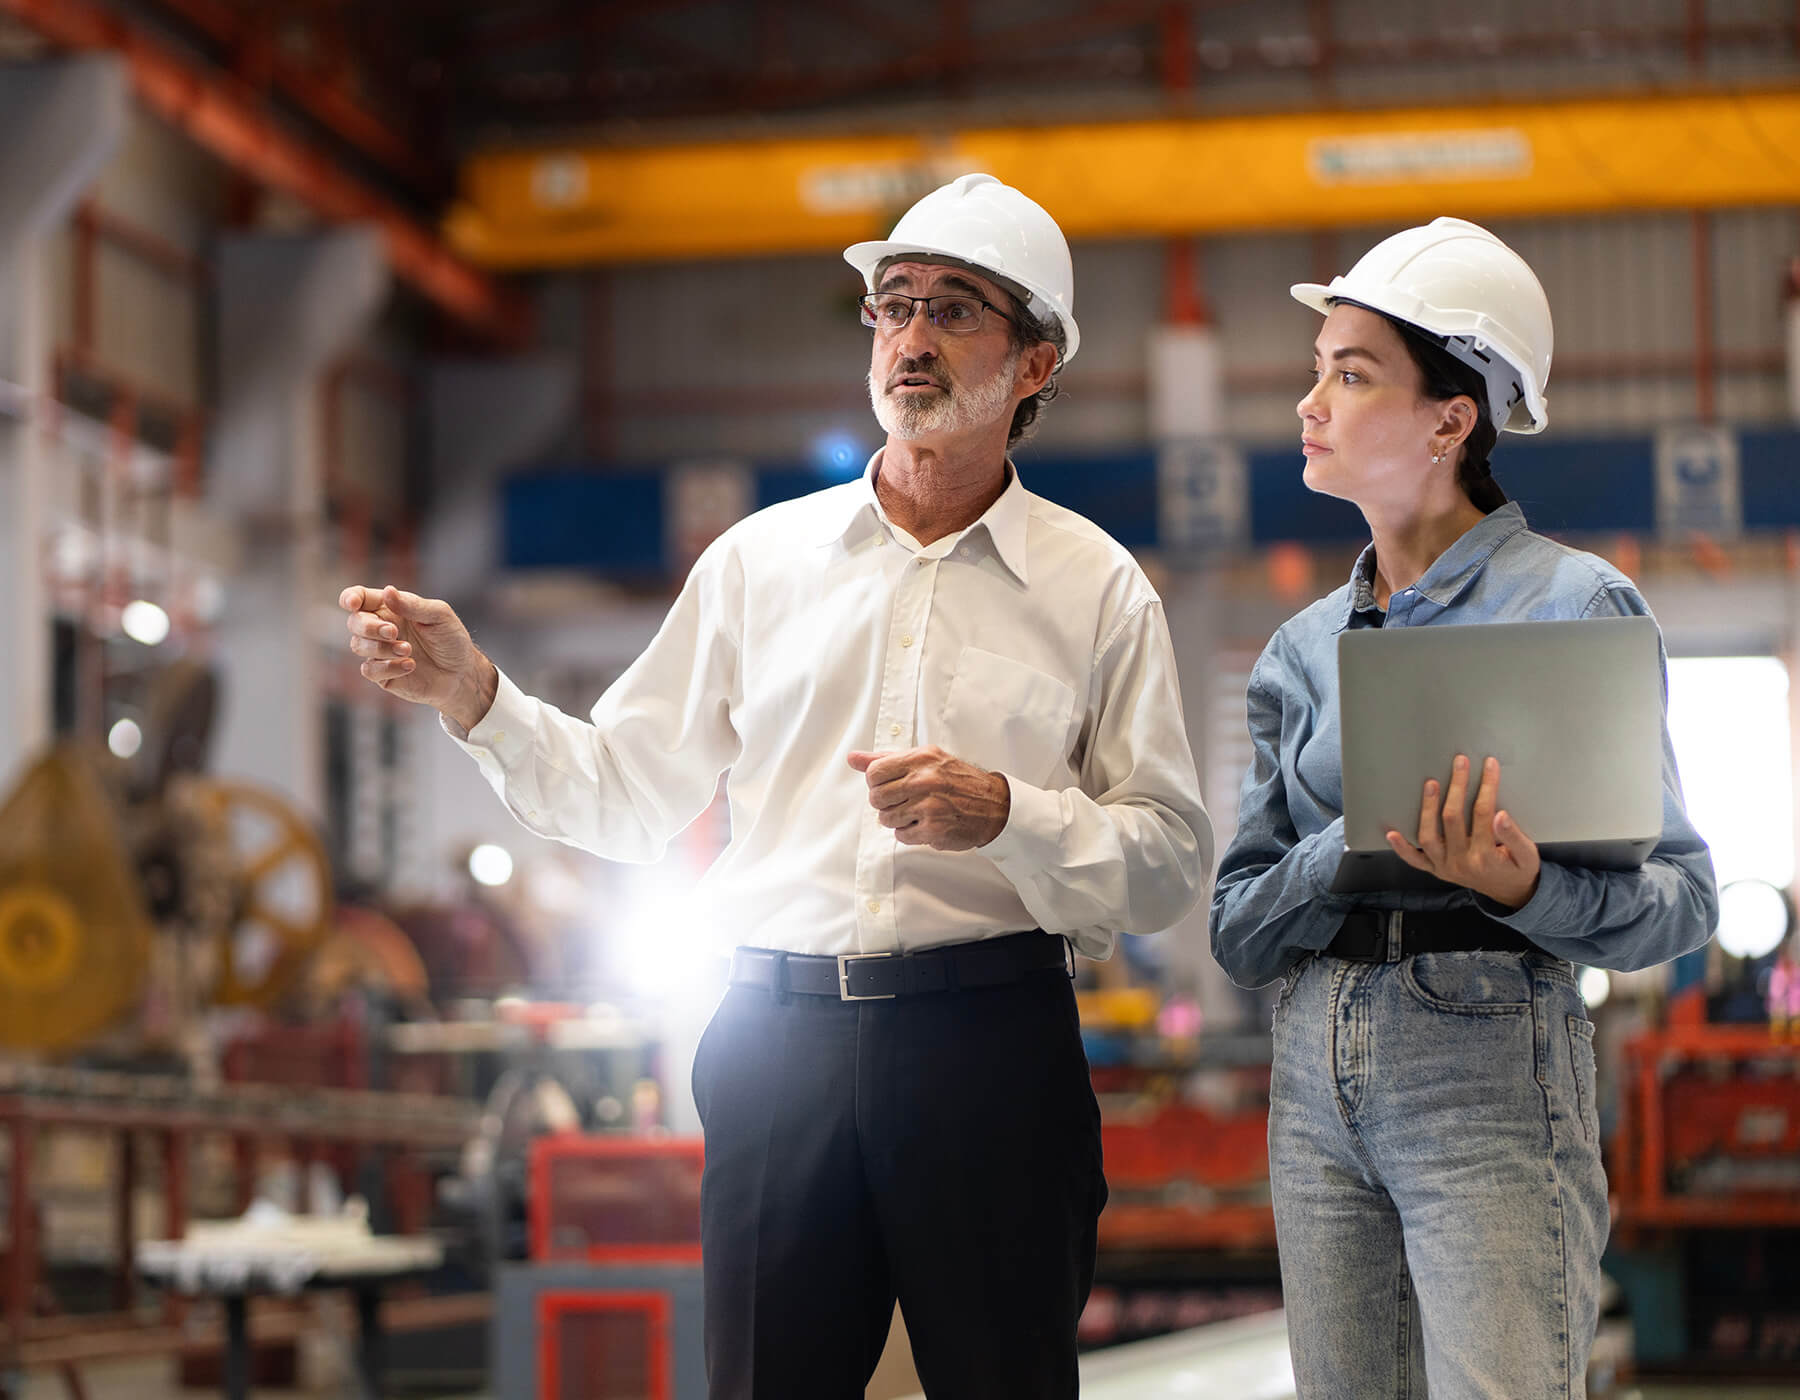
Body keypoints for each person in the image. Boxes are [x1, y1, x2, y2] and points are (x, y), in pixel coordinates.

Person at [341, 172, 1212, 1399]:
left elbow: (1169, 856)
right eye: (892, 305)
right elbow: (630, 793)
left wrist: (1010, 813)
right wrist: (478, 694)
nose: (910, 337)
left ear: (1035, 364)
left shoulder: (1098, 588)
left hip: (992, 1043)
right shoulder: (760, 564)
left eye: (955, 310)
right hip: (775, 1043)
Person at [1209, 217, 1717, 1399]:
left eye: (1350, 372)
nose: (1308, 402)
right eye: (1315, 368)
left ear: (1453, 417)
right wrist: (1351, 843)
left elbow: (1682, 896)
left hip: (1486, 1057)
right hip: (1311, 1064)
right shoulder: (1300, 650)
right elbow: (1238, 927)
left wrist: (1521, 885)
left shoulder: (1575, 605)